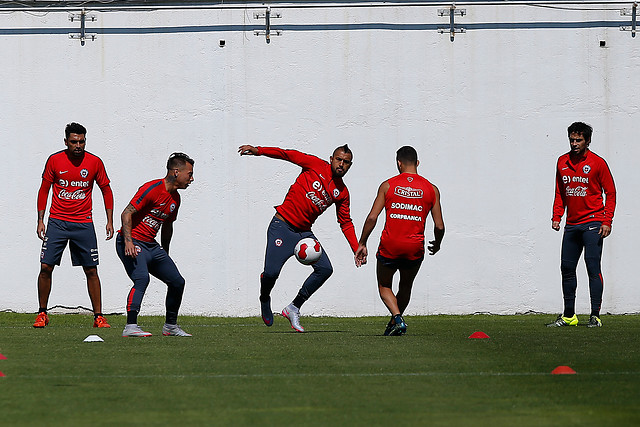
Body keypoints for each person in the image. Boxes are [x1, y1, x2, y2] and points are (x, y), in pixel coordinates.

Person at [238, 144, 359, 332]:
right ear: (331, 159)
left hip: (303, 233)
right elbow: (287, 154)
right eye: (338, 159)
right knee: (270, 274)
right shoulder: (314, 165)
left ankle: (293, 307)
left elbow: (345, 222)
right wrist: (259, 150)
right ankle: (264, 297)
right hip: (282, 226)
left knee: (325, 269)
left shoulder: (342, 192)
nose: (341, 164)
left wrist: (356, 247)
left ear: (350, 166)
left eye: (346, 162)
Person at [355, 146, 444, 336]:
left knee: (384, 286)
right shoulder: (432, 189)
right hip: (414, 248)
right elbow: (439, 226)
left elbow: (372, 217)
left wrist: (362, 242)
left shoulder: (388, 185)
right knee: (405, 287)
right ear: (417, 163)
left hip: (390, 246)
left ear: (398, 163)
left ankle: (397, 319)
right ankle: (395, 322)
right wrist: (437, 243)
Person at [34, 122, 114, 328]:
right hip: (57, 223)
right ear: (66, 141)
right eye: (74, 141)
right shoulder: (54, 160)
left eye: (81, 141)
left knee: (91, 270)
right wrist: (40, 220)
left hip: (83, 224)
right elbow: (44, 190)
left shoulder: (95, 162)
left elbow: (106, 190)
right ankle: (42, 313)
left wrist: (109, 220)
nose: (78, 145)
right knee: (45, 267)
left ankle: (98, 316)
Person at [116, 153, 195, 337]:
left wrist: (165, 252)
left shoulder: (176, 199)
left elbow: (167, 226)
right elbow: (126, 213)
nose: (191, 178)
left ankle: (170, 326)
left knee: (177, 282)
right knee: (142, 278)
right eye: (189, 174)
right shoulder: (151, 188)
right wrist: (128, 242)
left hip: (151, 245)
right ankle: (130, 327)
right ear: (176, 172)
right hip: (131, 241)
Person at [548, 122, 616, 328]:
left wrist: (607, 221)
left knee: (592, 268)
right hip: (572, 224)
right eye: (571, 139)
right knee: (567, 268)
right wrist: (557, 216)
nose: (574, 143)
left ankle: (595, 315)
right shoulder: (562, 161)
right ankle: (569, 315)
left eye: (578, 140)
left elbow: (610, 193)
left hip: (593, 223)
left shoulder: (597, 163)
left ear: (587, 141)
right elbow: (560, 191)